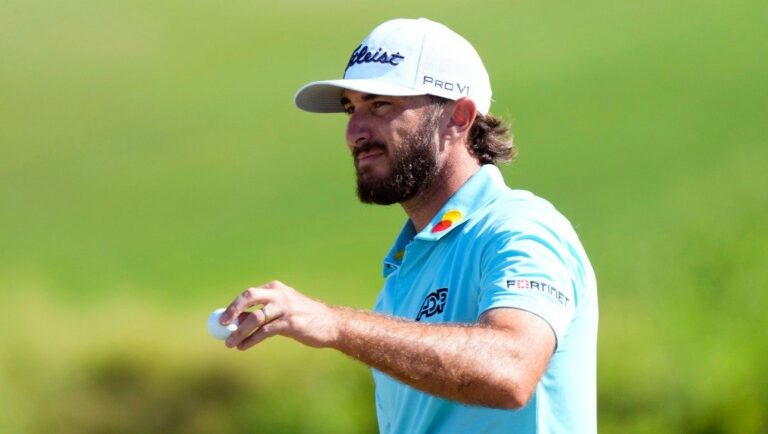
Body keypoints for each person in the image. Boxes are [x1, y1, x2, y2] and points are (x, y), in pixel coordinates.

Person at [219, 17, 598, 434]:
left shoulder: (520, 227)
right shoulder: (401, 276)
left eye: (380, 104)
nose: (354, 132)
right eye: (351, 108)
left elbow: (511, 369)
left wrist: (335, 324)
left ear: (459, 117)